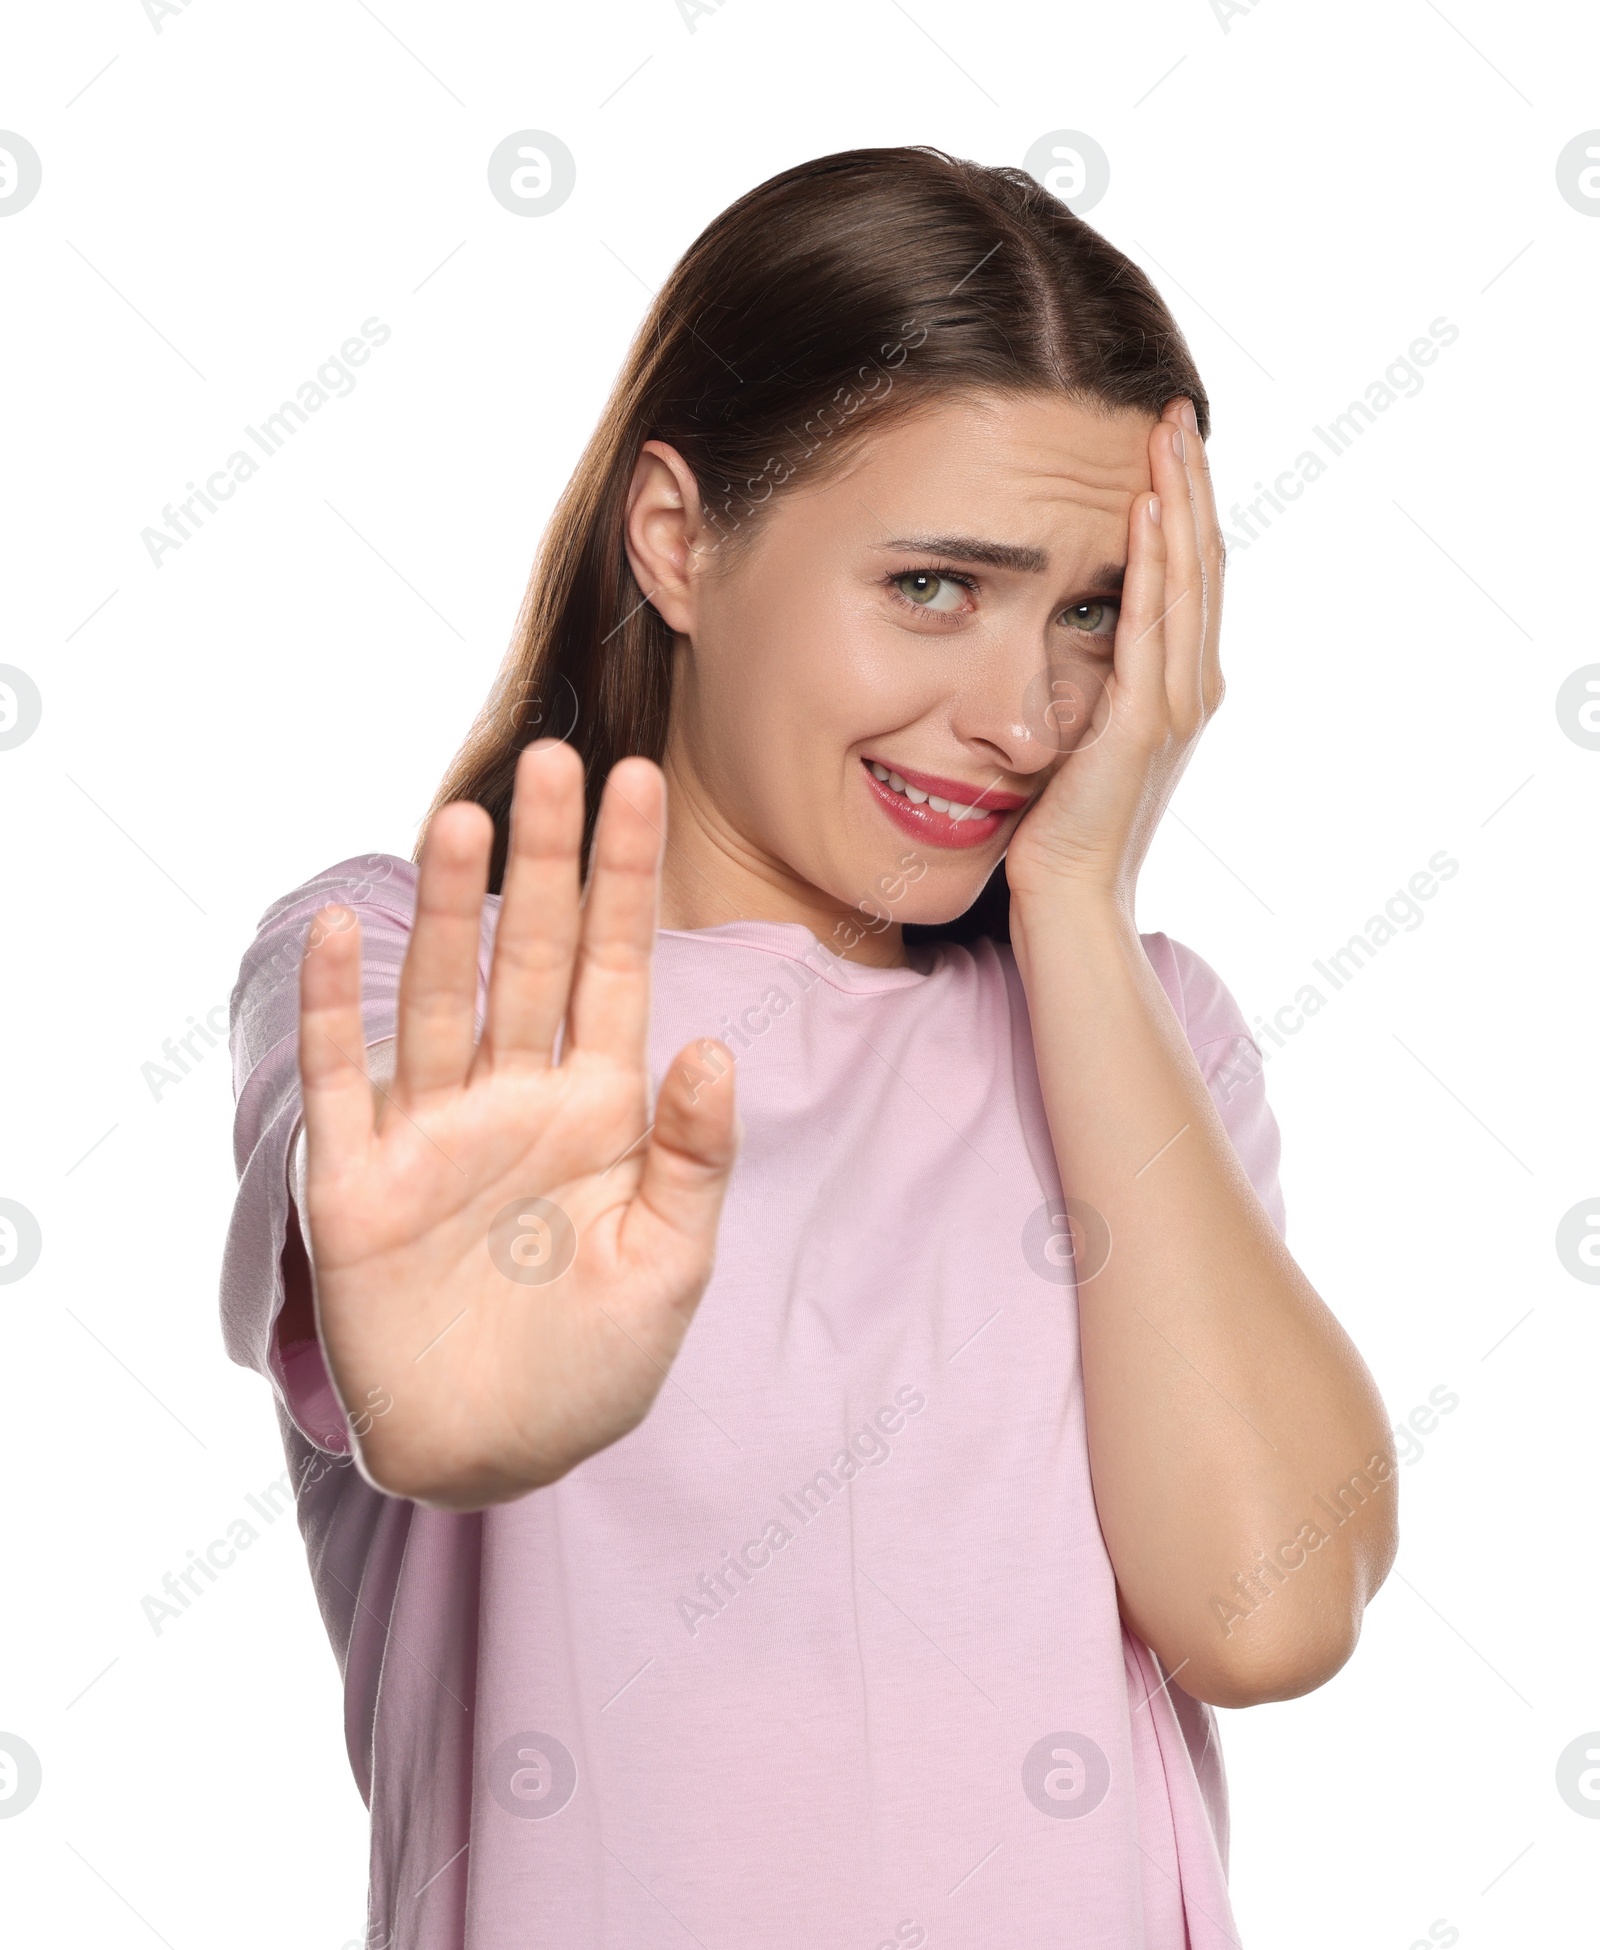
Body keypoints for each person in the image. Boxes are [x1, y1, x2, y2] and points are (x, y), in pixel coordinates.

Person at [222, 145, 1397, 1949]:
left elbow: (1267, 1607)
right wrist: (440, 1393)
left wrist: (1077, 904)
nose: (1020, 717)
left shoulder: (1144, 1027)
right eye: (936, 584)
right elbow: (415, 1324)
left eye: (1092, 611)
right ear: (679, 538)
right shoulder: (429, 962)